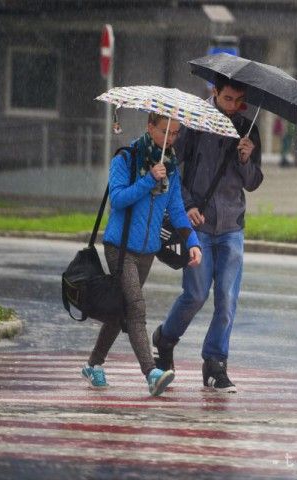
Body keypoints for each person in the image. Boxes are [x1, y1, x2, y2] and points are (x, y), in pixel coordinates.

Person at [152, 76, 263, 393]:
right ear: (215, 93)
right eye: (228, 98)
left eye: (239, 100)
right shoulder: (194, 124)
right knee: (196, 295)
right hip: (198, 226)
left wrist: (244, 158)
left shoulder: (247, 128)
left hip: (232, 228)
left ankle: (215, 364)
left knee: (227, 300)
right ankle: (166, 338)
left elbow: (253, 181)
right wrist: (186, 206)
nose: (233, 106)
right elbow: (172, 168)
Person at [81, 112, 202, 397]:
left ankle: (93, 364)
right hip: (120, 248)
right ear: (150, 127)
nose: (170, 139)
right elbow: (118, 199)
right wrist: (148, 180)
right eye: (165, 132)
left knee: (119, 309)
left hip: (148, 251)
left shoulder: (170, 168)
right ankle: (151, 373)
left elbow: (175, 211)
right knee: (136, 308)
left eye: (175, 134)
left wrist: (193, 242)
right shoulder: (125, 158)